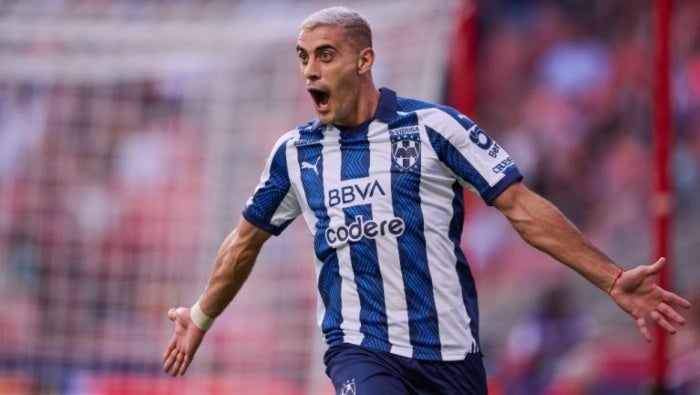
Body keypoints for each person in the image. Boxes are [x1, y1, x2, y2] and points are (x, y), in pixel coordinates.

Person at [163, 6, 691, 394]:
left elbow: (522, 209)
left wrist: (610, 277)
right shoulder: (294, 154)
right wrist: (202, 315)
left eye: (326, 55)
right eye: (304, 58)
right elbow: (244, 242)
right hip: (361, 351)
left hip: (452, 355)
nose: (310, 71)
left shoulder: (434, 129)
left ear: (365, 59)